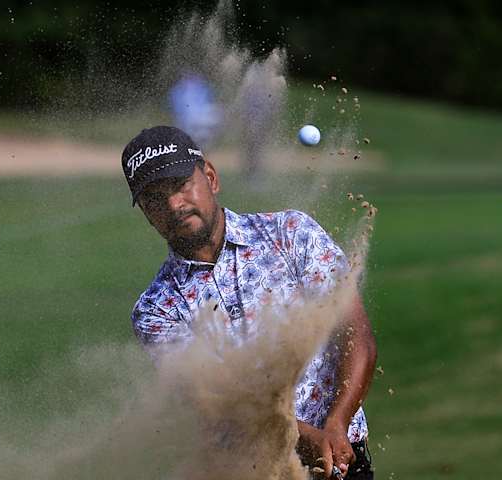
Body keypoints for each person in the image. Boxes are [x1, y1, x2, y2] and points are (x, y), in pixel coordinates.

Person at [122, 125, 377, 479]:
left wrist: (338, 422)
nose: (173, 205)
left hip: (342, 456)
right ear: (146, 214)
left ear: (210, 177)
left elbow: (355, 334)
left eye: (181, 185)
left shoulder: (291, 234)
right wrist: (313, 439)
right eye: (153, 199)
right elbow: (224, 408)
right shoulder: (156, 310)